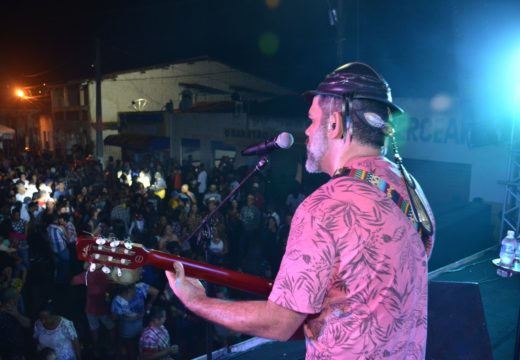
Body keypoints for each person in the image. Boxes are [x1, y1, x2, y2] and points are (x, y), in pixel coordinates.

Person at [166, 62, 435, 359]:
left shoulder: (326, 206)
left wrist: (197, 301)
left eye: (311, 120)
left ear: (334, 124)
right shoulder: (411, 190)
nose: (306, 131)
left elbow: (280, 323)